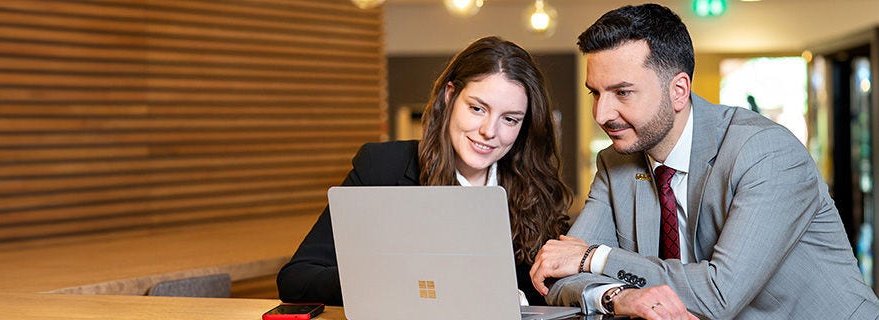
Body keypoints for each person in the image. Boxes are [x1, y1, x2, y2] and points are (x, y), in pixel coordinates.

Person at [528, 4, 879, 320]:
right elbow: (559, 275)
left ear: (679, 91)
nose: (601, 114)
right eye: (595, 92)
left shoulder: (766, 152)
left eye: (622, 92)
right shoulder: (614, 163)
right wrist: (619, 296)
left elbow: (719, 295)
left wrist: (596, 258)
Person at [276, 36, 572, 306]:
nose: (489, 131)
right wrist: (390, 280)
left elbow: (553, 292)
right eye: (477, 108)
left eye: (509, 119)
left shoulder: (538, 190)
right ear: (450, 96)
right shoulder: (382, 167)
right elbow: (296, 279)